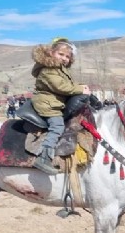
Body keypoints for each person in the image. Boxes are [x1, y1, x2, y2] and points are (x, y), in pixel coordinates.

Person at [31, 37, 90, 174]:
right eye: (61, 54)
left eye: (67, 56)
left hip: (54, 101)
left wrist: (81, 87)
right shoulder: (48, 69)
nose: (64, 58)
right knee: (57, 126)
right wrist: (81, 89)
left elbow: (68, 85)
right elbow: (60, 86)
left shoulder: (59, 69)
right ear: (52, 53)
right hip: (47, 103)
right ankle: (43, 157)